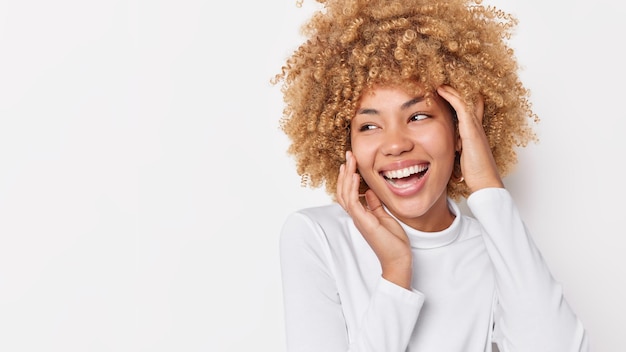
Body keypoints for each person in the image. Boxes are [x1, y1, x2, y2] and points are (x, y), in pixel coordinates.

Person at [272, 0, 589, 351]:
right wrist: (396, 271)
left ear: (460, 131)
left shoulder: (496, 246)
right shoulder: (318, 236)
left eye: (418, 117)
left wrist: (487, 186)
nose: (394, 145)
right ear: (344, 144)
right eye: (369, 125)